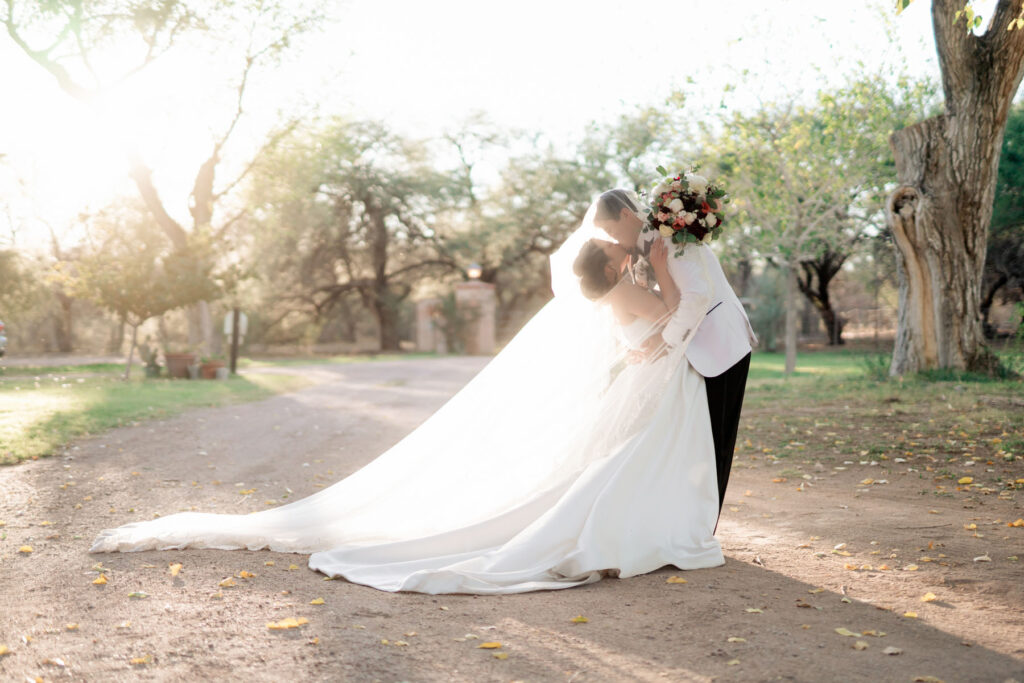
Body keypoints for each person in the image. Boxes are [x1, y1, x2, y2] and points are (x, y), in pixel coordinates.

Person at [90, 193, 726, 594]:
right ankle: (642, 530)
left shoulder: (605, 292)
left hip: (653, 373)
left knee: (623, 458)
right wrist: (668, 275)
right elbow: (674, 316)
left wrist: (649, 332)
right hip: (663, 374)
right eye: (620, 244)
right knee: (632, 459)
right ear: (612, 264)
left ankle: (644, 523)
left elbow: (642, 336)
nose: (628, 247)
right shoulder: (632, 283)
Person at [592, 189, 757, 529]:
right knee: (694, 442)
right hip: (690, 351)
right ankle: (687, 523)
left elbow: (697, 297)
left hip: (719, 345)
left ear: (626, 216)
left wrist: (663, 343)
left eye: (610, 230)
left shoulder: (671, 236)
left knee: (716, 442)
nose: (611, 238)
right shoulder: (641, 251)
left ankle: (703, 529)